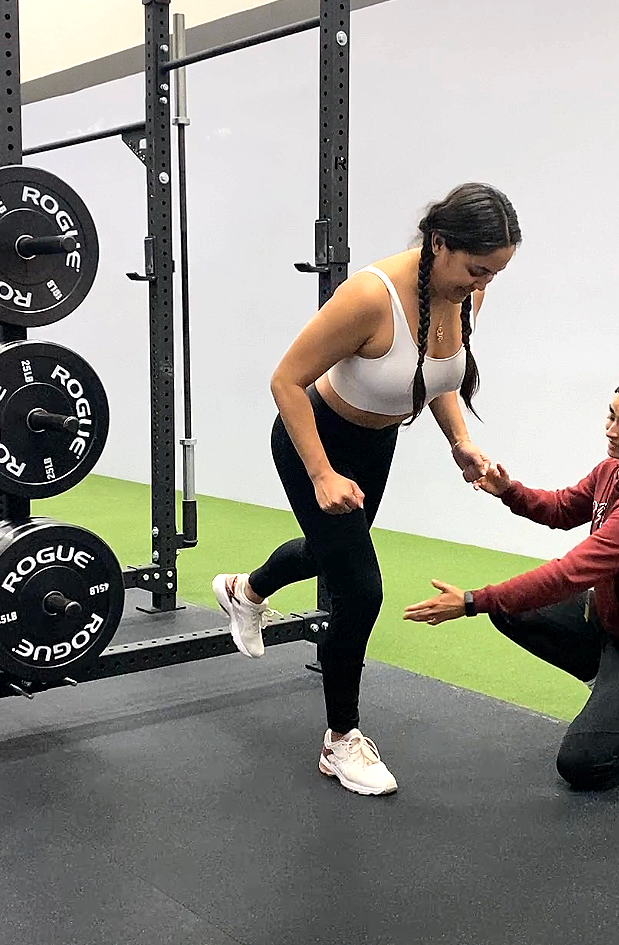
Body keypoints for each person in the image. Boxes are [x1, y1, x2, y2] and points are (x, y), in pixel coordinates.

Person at [213, 183, 522, 797]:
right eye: (477, 268)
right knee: (359, 587)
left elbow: (436, 377)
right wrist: (323, 473)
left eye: (494, 272)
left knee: (332, 551)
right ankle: (341, 738)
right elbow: (285, 382)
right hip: (315, 439)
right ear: (440, 242)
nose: (483, 283)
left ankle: (243, 590)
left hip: (375, 446)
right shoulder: (368, 296)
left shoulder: (466, 294)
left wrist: (459, 440)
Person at [404, 368, 619, 790]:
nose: (611, 430)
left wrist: (473, 601)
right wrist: (509, 490)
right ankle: (617, 689)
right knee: (514, 612)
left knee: (582, 765)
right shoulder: (615, 469)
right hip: (613, 623)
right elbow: (563, 508)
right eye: (610, 415)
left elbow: (569, 574)